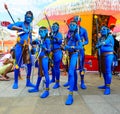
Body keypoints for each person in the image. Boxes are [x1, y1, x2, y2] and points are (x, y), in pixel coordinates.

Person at [7, 11, 35, 89]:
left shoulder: (30, 27)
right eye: (27, 16)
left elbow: (30, 38)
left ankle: (28, 82)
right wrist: (20, 28)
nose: (28, 18)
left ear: (32, 18)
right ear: (25, 16)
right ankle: (16, 82)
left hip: (27, 47)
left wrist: (33, 46)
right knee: (17, 64)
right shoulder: (20, 23)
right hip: (19, 46)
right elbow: (9, 26)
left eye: (30, 17)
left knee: (29, 65)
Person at [63, 15, 89, 89]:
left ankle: (82, 81)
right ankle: (70, 81)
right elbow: (67, 39)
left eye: (78, 20)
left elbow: (87, 41)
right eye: (75, 19)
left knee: (81, 66)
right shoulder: (70, 31)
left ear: (79, 21)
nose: (76, 20)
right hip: (70, 51)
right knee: (70, 66)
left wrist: (80, 43)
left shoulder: (83, 30)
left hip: (80, 50)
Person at [28, 26, 51, 98]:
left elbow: (49, 50)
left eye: (42, 32)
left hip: (45, 58)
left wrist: (42, 46)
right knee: (39, 73)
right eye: (39, 32)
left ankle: (47, 90)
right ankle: (36, 87)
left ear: (46, 32)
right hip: (40, 58)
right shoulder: (41, 39)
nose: (40, 33)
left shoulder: (47, 40)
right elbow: (36, 48)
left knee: (46, 74)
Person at [64, 21, 82, 105]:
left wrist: (71, 47)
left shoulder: (76, 35)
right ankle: (74, 86)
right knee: (73, 72)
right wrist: (65, 47)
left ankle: (70, 96)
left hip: (75, 54)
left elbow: (80, 47)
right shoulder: (68, 34)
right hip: (69, 55)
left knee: (71, 72)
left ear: (76, 26)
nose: (71, 26)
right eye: (70, 25)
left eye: (73, 25)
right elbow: (66, 44)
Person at [96, 26, 114, 95]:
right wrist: (97, 45)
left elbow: (106, 42)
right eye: (101, 29)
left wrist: (101, 44)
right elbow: (98, 45)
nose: (102, 30)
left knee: (108, 70)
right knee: (103, 71)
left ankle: (108, 87)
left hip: (109, 55)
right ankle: (105, 84)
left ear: (107, 30)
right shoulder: (100, 38)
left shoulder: (109, 36)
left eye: (104, 29)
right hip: (102, 56)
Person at [50, 22, 63, 89]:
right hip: (51, 53)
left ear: (58, 28)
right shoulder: (51, 34)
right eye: (53, 26)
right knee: (52, 67)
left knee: (56, 68)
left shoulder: (59, 34)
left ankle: (57, 83)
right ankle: (53, 79)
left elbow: (60, 41)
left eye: (55, 26)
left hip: (57, 52)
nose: (54, 27)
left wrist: (54, 37)